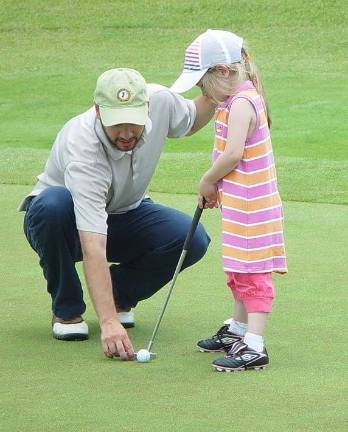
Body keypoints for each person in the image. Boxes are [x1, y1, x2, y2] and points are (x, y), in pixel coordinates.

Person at [19, 68, 216, 360]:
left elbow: (191, 119)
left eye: (134, 123)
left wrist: (216, 90)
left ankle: (118, 296)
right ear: (98, 111)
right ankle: (67, 311)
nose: (126, 134)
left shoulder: (160, 100)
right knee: (53, 206)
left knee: (193, 239)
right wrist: (109, 323)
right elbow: (92, 245)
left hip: (127, 213)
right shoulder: (82, 145)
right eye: (117, 124)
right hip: (66, 224)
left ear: (147, 108)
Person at [171, 29, 287, 371]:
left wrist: (207, 179)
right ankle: (237, 329)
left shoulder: (241, 104)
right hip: (241, 204)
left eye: (202, 83)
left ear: (222, 71)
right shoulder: (231, 101)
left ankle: (255, 344)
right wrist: (218, 188)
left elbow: (233, 154)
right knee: (238, 268)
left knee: (253, 273)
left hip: (255, 207)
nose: (201, 91)